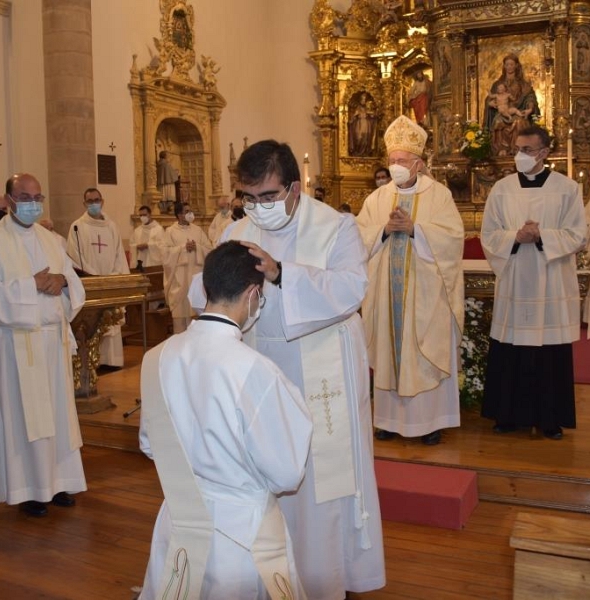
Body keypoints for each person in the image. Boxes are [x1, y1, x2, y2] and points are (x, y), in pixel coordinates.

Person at [189, 140, 385, 599]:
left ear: (295, 188)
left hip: (322, 367)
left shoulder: (335, 227)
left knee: (321, 477)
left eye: (269, 196)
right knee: (264, 469)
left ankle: (325, 577)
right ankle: (267, 576)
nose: (258, 208)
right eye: (248, 197)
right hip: (256, 368)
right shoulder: (232, 233)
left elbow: (352, 288)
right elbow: (207, 294)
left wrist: (282, 275)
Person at [138, 241, 312, 599]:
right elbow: (287, 471)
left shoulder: (156, 357)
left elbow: (149, 443)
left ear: (205, 287)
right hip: (241, 537)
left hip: (180, 522)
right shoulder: (254, 370)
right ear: (252, 294)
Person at [356, 115, 464, 446]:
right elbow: (358, 237)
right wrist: (384, 231)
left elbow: (453, 238)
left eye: (402, 160)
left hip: (425, 294)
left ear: (418, 163)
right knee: (390, 352)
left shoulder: (439, 195)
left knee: (422, 351)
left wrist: (415, 229)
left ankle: (430, 422)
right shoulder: (376, 199)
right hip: (386, 293)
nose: (396, 166)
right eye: (392, 160)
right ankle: (387, 420)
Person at [481, 125, 586, 440]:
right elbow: (489, 234)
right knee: (511, 349)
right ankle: (508, 415)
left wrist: (542, 235)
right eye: (517, 149)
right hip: (515, 280)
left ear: (544, 153)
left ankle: (550, 418)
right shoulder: (501, 189)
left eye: (526, 150)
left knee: (549, 351)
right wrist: (516, 235)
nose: (519, 156)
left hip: (550, 280)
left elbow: (578, 235)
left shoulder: (567, 189)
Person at [0, 173, 86, 517]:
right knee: (25, 418)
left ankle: (59, 482)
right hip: (17, 345)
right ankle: (30, 489)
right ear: (9, 200)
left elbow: (75, 284)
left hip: (52, 342)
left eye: (37, 197)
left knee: (59, 415)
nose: (32, 203)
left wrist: (60, 282)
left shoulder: (51, 240)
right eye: (25, 196)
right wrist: (29, 285)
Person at [67, 188, 130, 367]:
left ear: (102, 201)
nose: (94, 203)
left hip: (111, 280)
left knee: (112, 319)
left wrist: (115, 275)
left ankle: (112, 361)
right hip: (92, 283)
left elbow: (119, 254)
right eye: (90, 201)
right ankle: (94, 362)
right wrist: (94, 275)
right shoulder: (78, 227)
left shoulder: (111, 226)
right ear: (84, 203)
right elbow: (75, 255)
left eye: (96, 200)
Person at [162, 201, 211, 333]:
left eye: (190, 211)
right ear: (179, 215)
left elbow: (209, 249)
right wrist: (183, 248)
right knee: (180, 320)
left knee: (197, 320)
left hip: (196, 277)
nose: (190, 214)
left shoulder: (198, 230)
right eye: (186, 211)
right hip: (179, 279)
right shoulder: (170, 232)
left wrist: (197, 247)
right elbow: (165, 254)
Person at [484, 54, 539, 156]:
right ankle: (501, 149)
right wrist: (490, 103)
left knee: (519, 122)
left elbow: (530, 97)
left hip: (517, 111)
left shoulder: (523, 84)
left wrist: (530, 109)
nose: (509, 67)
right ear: (504, 66)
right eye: (507, 64)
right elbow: (490, 98)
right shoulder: (497, 84)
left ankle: (518, 148)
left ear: (516, 66)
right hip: (501, 112)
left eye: (511, 64)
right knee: (498, 122)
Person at [129, 205, 164, 270]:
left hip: (153, 263)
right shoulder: (137, 230)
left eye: (144, 215)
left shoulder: (158, 229)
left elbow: (162, 245)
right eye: (141, 215)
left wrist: (148, 245)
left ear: (150, 214)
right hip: (140, 261)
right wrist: (136, 246)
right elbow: (131, 244)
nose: (142, 217)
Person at [348, 92, 377, 156]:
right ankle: (358, 152)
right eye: (362, 99)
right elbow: (352, 118)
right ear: (360, 100)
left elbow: (373, 116)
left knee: (366, 139)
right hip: (359, 125)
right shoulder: (358, 108)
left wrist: (370, 114)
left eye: (365, 99)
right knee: (359, 138)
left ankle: (366, 152)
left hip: (367, 125)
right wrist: (353, 118)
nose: (363, 101)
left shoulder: (368, 107)